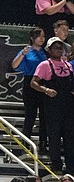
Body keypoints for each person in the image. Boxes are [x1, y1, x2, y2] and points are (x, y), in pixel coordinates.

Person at [31, 36, 74, 173]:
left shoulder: (68, 65)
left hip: (68, 107)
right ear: (49, 50)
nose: (58, 50)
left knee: (69, 137)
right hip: (52, 107)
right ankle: (56, 166)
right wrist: (46, 90)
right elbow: (33, 82)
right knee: (54, 137)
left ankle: (71, 166)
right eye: (55, 47)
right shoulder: (44, 65)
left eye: (60, 47)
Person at [12, 28, 49, 153]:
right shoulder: (27, 51)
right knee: (30, 116)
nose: (42, 38)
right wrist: (22, 54)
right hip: (29, 82)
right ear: (32, 37)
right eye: (39, 36)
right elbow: (14, 65)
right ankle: (25, 144)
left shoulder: (46, 52)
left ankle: (43, 144)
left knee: (44, 116)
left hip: (43, 83)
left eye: (43, 36)